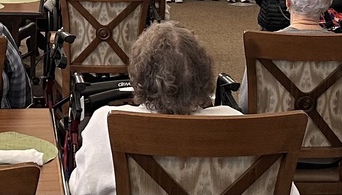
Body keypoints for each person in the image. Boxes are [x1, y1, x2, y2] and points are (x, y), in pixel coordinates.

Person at [68, 21, 245, 195]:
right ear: (206, 75)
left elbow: (82, 189)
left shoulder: (106, 121)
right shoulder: (237, 123)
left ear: (137, 78)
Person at [238, 0, 336, 111]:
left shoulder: (263, 44)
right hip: (329, 133)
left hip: (273, 132)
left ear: (287, 0)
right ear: (328, 4)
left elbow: (246, 105)